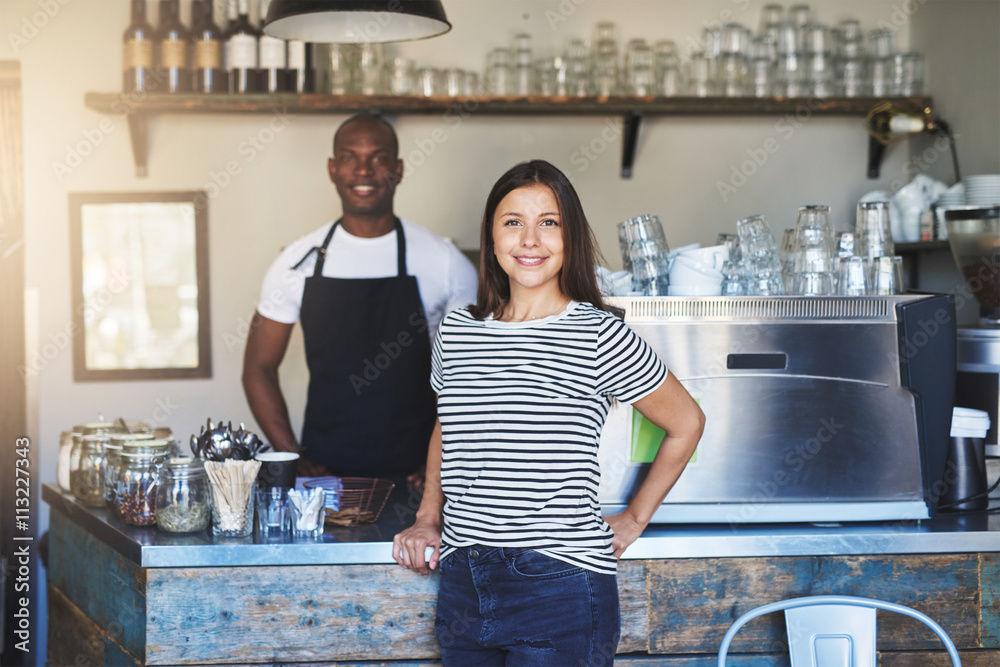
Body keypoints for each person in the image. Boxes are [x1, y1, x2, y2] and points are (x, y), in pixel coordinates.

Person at [393, 159, 705, 664]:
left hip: (561, 588)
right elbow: (447, 425)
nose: (530, 239)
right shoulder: (458, 332)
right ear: (492, 238)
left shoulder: (599, 334)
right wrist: (428, 516)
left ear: (571, 237)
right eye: (513, 221)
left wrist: (633, 519)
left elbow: (687, 422)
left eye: (550, 222)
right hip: (463, 584)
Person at [242, 113, 478, 484]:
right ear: (333, 169)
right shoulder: (294, 263)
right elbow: (257, 368)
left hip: (418, 477)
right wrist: (292, 454)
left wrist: (440, 467)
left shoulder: (446, 263)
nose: (363, 171)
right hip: (323, 476)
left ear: (398, 170)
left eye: (379, 158)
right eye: (350, 158)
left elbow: (471, 379)